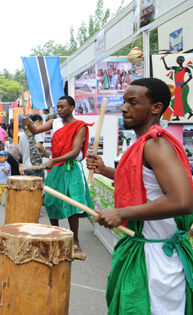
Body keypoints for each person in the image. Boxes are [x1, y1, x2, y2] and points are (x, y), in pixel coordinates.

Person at [86, 78, 193, 314]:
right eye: (124, 102)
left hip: (158, 258)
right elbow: (145, 184)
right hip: (144, 250)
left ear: (155, 108)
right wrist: (105, 170)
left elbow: (182, 201)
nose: (124, 107)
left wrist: (121, 213)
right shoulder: (142, 142)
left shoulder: (157, 144)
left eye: (132, 102)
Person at [22, 96, 93, 253]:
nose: (59, 109)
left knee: (73, 203)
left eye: (63, 107)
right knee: (52, 201)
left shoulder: (80, 126)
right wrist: (27, 125)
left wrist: (54, 160)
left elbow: (75, 152)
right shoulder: (54, 122)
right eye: (58, 107)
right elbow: (35, 131)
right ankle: (56, 237)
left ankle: (75, 240)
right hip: (55, 168)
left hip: (71, 168)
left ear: (72, 107)